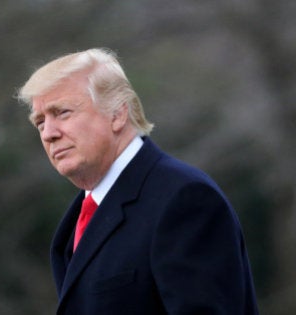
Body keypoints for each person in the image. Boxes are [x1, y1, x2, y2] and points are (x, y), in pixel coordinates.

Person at [16, 48, 259, 314]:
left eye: (62, 112)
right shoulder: (79, 218)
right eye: (39, 122)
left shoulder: (185, 199)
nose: (49, 133)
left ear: (118, 114)